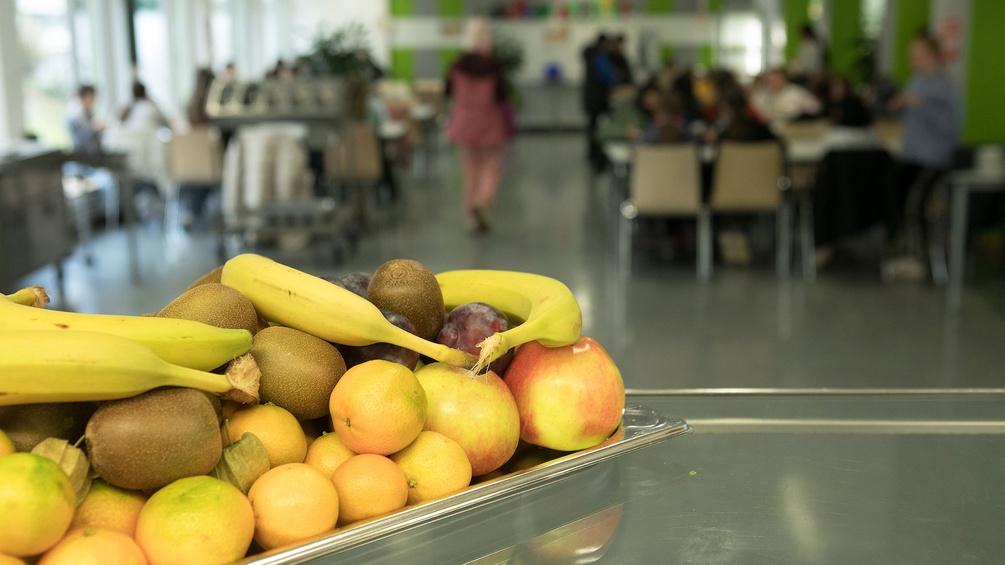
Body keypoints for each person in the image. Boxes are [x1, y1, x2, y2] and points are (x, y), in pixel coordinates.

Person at [882, 35, 962, 280]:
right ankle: (902, 248)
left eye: (918, 55)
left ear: (933, 56)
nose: (913, 60)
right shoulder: (916, 82)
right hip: (911, 155)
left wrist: (922, 106)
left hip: (934, 160)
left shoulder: (946, 88)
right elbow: (912, 121)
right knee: (890, 190)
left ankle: (919, 259)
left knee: (915, 202)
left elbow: (952, 128)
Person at [445, 18, 509, 233]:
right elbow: (502, 96)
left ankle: (471, 215)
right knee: (491, 166)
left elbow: (448, 91)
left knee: (469, 170)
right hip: (488, 122)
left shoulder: (457, 65)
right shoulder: (493, 67)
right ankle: (483, 201)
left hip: (463, 123)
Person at [582, 33, 616, 173]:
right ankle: (598, 158)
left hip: (591, 97)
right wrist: (616, 78)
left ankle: (592, 155)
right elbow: (606, 75)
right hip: (598, 98)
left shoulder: (590, 55)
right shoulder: (599, 56)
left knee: (592, 126)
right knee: (600, 128)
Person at [750, 68, 822, 124]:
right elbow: (754, 109)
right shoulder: (762, 95)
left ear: (784, 79)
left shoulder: (796, 92)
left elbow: (815, 107)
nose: (773, 83)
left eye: (776, 79)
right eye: (770, 80)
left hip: (794, 128)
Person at [66, 85, 103, 156]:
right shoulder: (74, 115)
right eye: (92, 97)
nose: (94, 100)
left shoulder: (87, 112)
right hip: (81, 155)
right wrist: (95, 128)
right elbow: (79, 140)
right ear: (84, 97)